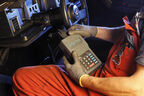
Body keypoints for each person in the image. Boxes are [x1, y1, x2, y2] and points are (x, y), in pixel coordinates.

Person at [12, 7, 144, 96]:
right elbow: (130, 33)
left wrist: (83, 79)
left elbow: (137, 89)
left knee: (22, 81)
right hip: (105, 75)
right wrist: (94, 31)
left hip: (114, 89)